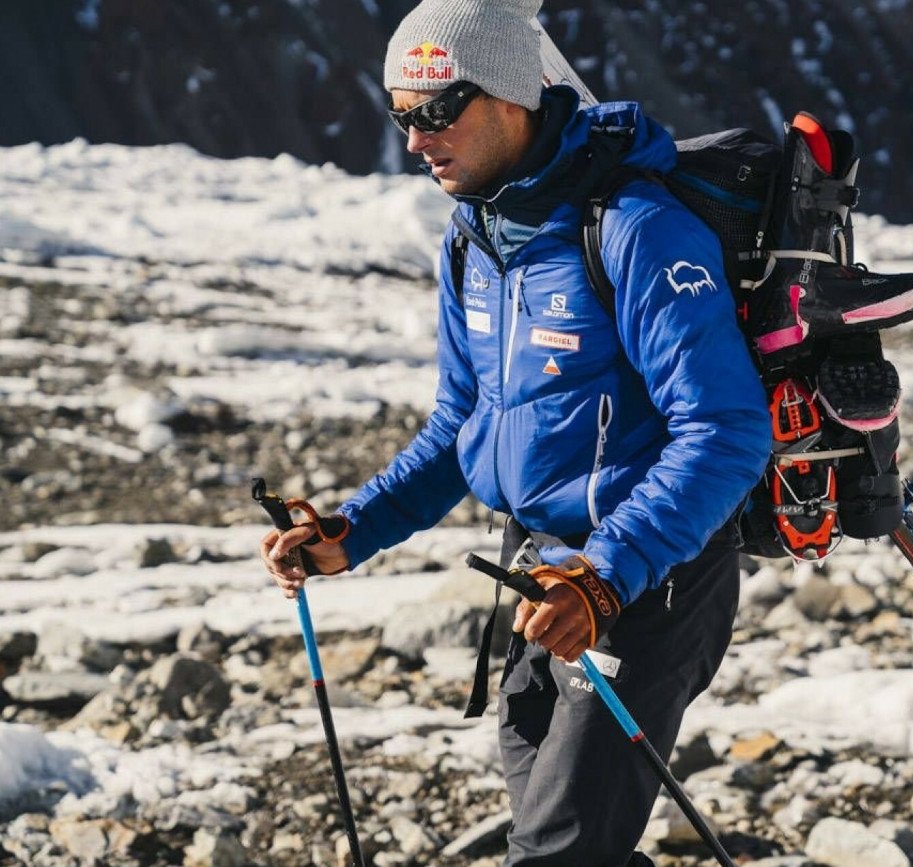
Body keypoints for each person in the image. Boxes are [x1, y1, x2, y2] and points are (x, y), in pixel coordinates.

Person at [260, 0, 769, 863]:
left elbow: (725, 430)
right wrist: (355, 529)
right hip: (539, 574)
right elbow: (463, 424)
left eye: (436, 110)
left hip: (646, 578)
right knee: (557, 838)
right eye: (401, 114)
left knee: (557, 849)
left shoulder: (636, 230)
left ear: (510, 96)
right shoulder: (475, 241)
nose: (416, 139)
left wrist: (606, 578)